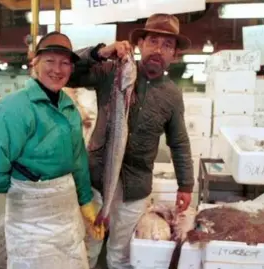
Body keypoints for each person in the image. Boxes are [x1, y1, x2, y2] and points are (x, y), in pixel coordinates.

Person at [67, 14, 194, 268]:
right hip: (96, 179)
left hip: (135, 188)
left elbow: (178, 142)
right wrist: (100, 52)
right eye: (153, 41)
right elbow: (69, 72)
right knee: (87, 248)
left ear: (174, 55)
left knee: (120, 255)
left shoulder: (172, 95)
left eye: (167, 45)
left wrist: (186, 184)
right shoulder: (112, 70)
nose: (158, 50)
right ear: (140, 44)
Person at [0, 32, 104, 269]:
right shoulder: (12, 108)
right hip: (29, 221)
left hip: (67, 213)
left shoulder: (69, 108)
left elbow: (78, 160)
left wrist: (86, 201)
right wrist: (26, 191)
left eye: (65, 62)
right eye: (50, 61)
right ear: (34, 63)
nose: (58, 69)